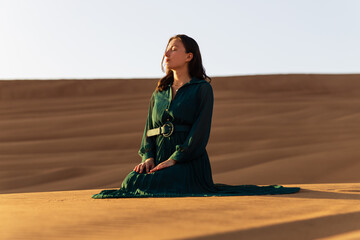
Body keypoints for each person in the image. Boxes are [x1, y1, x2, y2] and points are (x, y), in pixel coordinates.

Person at [91, 34, 300, 198]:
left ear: (189, 56)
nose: (167, 54)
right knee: (132, 180)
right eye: (166, 49)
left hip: (189, 161)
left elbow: (200, 131)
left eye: (174, 49)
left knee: (154, 183)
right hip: (159, 158)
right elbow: (149, 129)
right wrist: (148, 157)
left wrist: (175, 159)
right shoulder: (159, 92)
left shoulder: (202, 89)